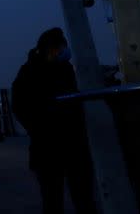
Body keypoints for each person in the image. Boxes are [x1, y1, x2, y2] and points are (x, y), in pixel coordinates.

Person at [12, 27, 97, 214]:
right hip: (47, 146)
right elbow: (19, 106)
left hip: (75, 143)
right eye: (61, 47)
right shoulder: (29, 72)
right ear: (51, 48)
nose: (64, 51)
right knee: (52, 198)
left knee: (84, 196)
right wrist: (40, 129)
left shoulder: (66, 69)